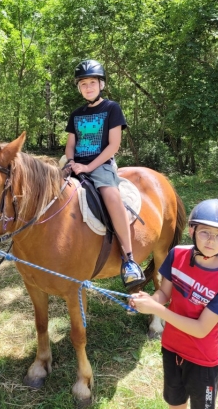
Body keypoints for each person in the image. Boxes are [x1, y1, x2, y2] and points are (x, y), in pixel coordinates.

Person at [129, 199, 218, 409]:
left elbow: (200, 329)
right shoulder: (177, 254)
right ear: (192, 230)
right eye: (205, 232)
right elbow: (164, 293)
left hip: (203, 360)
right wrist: (147, 301)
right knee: (175, 403)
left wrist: (156, 310)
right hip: (171, 348)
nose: (211, 240)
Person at [65, 59, 145, 289]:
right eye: (83, 84)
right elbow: (70, 144)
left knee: (111, 196)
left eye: (92, 82)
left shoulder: (111, 108)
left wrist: (88, 168)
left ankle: (129, 260)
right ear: (79, 88)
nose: (88, 87)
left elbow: (113, 146)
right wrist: (71, 162)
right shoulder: (76, 114)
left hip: (100, 165)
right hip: (75, 163)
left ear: (101, 84)